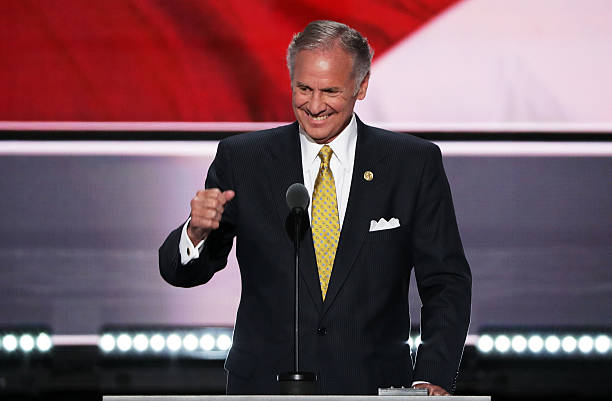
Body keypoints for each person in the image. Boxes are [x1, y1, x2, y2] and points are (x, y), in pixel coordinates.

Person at [159, 20, 471, 396]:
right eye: (304, 88)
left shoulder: (411, 164)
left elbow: (446, 281)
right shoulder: (243, 160)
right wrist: (195, 233)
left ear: (362, 85)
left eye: (330, 91)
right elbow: (184, 273)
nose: (315, 105)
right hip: (264, 387)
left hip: (373, 386)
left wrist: (431, 375)